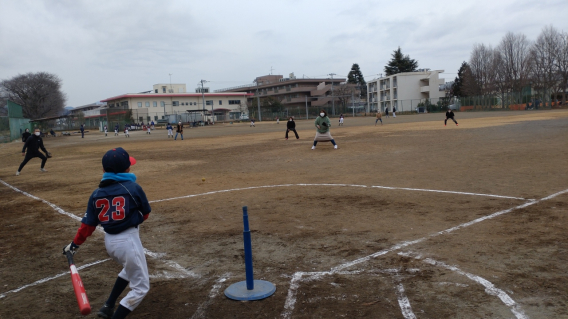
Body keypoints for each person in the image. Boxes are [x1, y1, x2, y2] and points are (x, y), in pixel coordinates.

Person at [62, 147, 151, 319]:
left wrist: (73, 246)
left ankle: (109, 304)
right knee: (141, 288)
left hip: (110, 243)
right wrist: (134, 219)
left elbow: (87, 227)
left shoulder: (96, 194)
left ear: (103, 170)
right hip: (128, 242)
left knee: (130, 268)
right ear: (128, 169)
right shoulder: (133, 188)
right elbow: (145, 214)